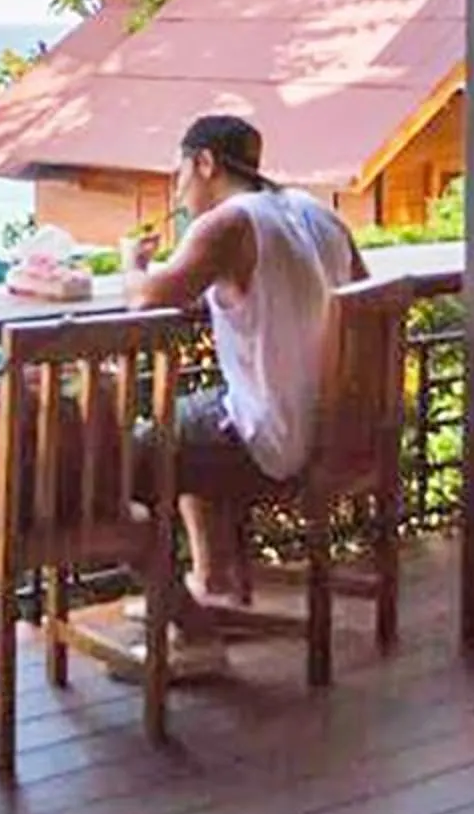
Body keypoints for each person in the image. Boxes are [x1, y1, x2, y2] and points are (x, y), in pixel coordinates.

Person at [124, 113, 366, 610]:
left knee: (121, 467)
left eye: (180, 173)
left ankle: (186, 621)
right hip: (338, 429)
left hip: (275, 442)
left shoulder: (229, 222)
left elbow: (146, 301)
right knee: (191, 420)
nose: (177, 191)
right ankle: (212, 582)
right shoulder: (316, 213)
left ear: (205, 163)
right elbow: (359, 298)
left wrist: (132, 263)